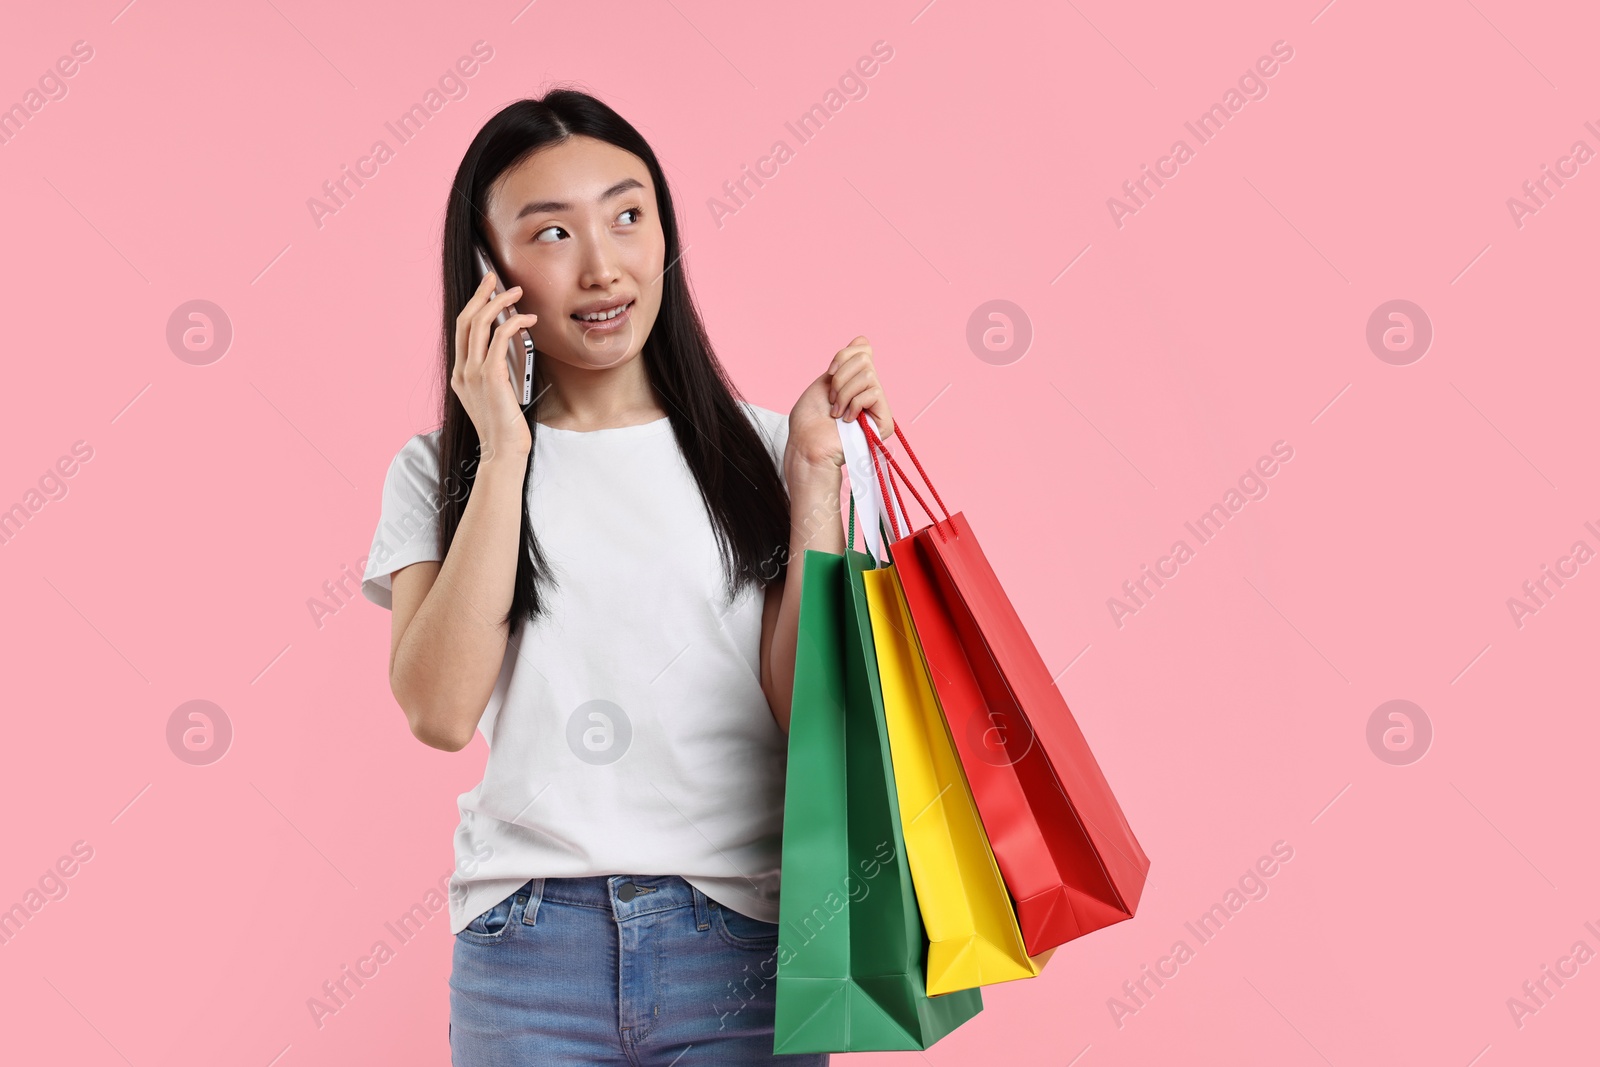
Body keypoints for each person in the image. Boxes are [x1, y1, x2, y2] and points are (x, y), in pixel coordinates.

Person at [359, 88, 895, 1065]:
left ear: (663, 233)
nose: (603, 265)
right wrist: (504, 447)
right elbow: (437, 711)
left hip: (744, 940)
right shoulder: (436, 470)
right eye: (552, 231)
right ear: (490, 269)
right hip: (529, 953)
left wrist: (817, 479)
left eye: (627, 215)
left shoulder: (767, 449)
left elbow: (803, 707)